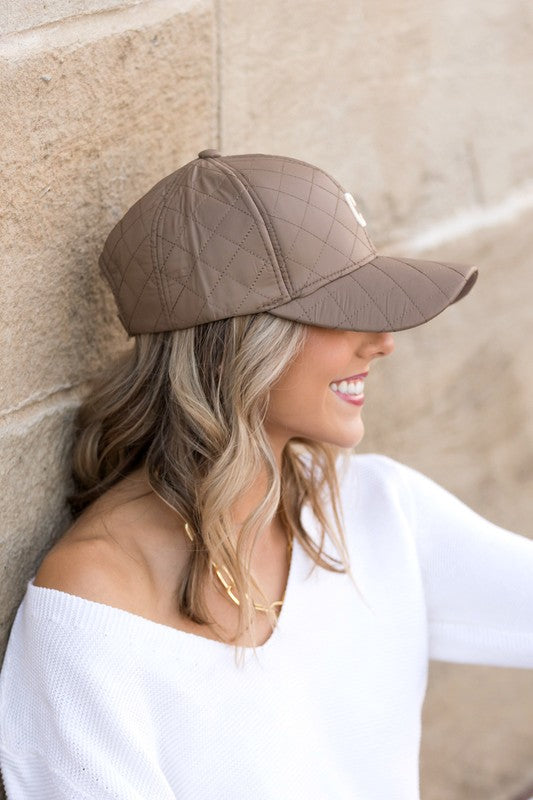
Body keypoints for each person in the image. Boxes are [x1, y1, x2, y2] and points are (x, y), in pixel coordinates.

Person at [0, 149, 532, 800]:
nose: (382, 341)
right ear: (236, 341)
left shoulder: (372, 508)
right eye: (342, 308)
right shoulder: (94, 605)